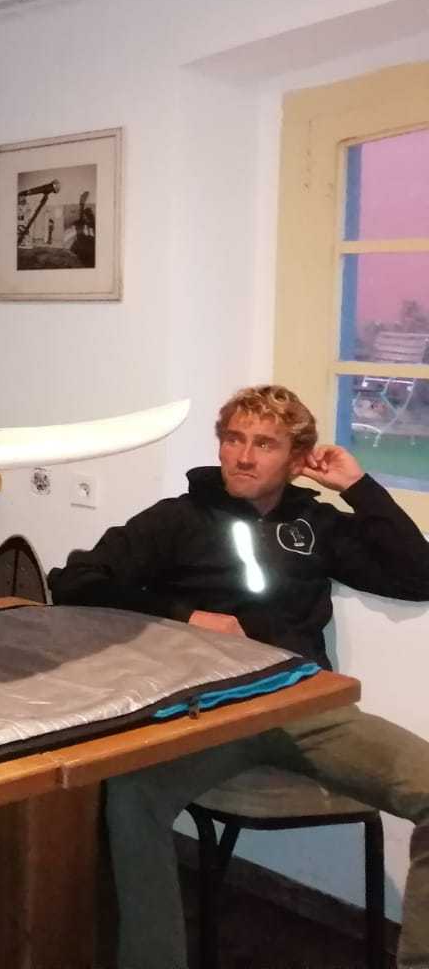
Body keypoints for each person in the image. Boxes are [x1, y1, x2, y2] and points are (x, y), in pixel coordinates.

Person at [47, 384, 429, 969]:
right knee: (130, 794)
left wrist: (358, 486)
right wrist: (186, 617)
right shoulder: (179, 519)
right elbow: (74, 581)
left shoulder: (316, 524)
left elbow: (418, 577)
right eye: (234, 439)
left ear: (296, 460)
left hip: (304, 706)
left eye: (265, 444)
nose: (243, 457)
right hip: (207, 713)